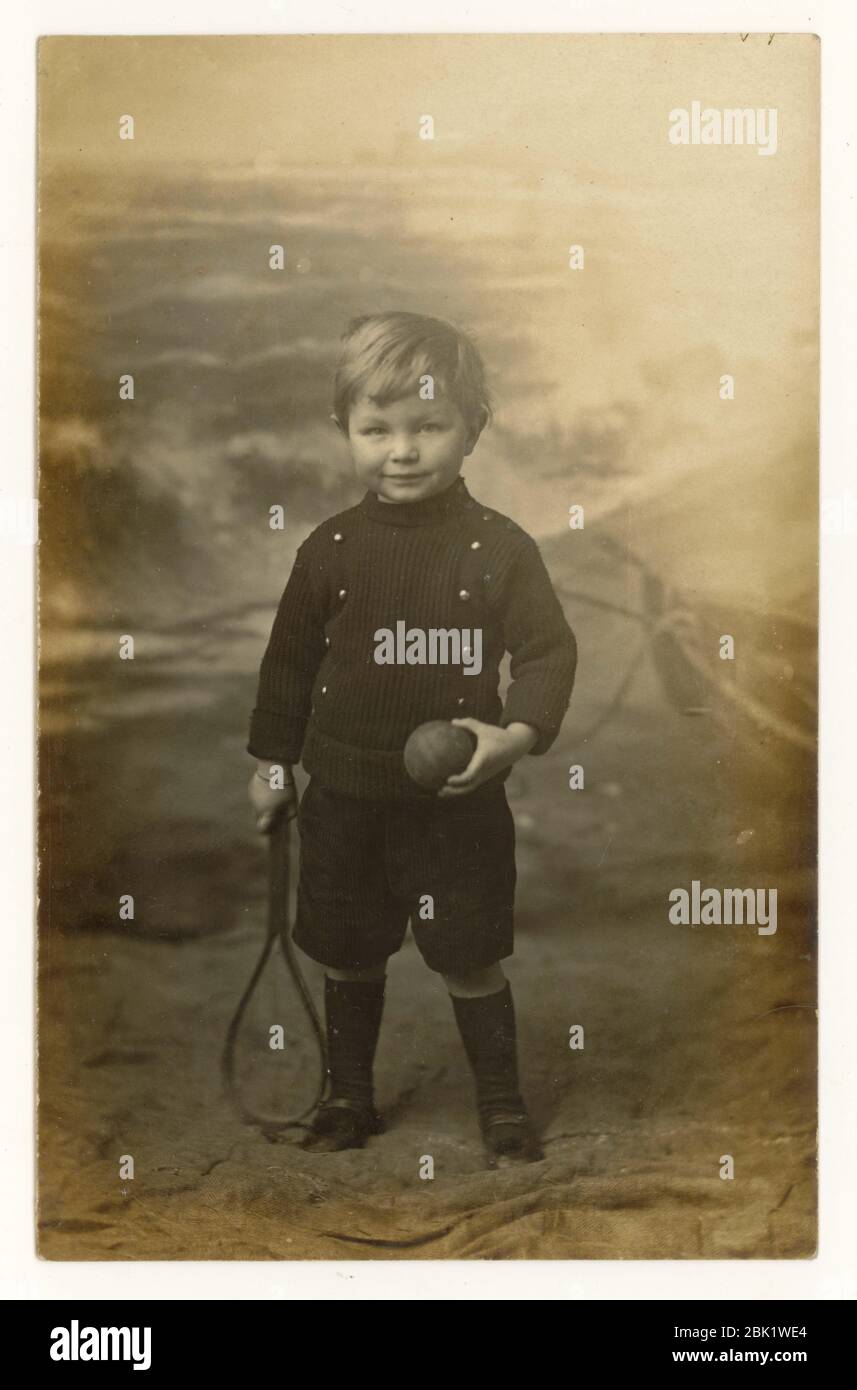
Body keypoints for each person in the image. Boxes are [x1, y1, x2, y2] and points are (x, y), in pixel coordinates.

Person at [247, 311, 577, 1163]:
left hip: (455, 805)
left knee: (470, 956)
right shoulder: (330, 550)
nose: (402, 450)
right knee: (350, 955)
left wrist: (515, 735)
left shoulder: (500, 548)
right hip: (346, 800)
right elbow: (286, 666)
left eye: (428, 426)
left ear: (474, 429)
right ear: (343, 432)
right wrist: (273, 764)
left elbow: (546, 651)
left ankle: (501, 1106)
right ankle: (346, 1098)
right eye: (376, 429)